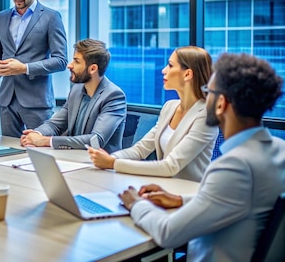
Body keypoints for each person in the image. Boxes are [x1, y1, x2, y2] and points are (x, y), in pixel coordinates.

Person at [119, 53, 285, 261]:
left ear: (220, 103)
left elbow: (167, 233)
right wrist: (180, 200)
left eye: (209, 91)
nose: (204, 97)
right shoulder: (279, 150)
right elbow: (236, 199)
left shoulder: (234, 166)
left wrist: (136, 203)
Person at [88, 46, 219, 182]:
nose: (163, 70)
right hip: (162, 189)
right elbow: (140, 150)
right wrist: (112, 158)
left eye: (170, 65)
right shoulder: (170, 107)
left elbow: (170, 166)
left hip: (187, 194)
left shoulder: (206, 115)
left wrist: (112, 164)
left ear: (187, 74)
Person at [0, 0, 67, 137]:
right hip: (7, 100)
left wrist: (25, 68)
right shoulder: (0, 18)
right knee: (7, 153)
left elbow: (61, 60)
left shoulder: (51, 17)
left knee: (40, 153)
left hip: (37, 101)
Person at [20, 39, 126, 152]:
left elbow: (96, 140)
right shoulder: (76, 90)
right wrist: (35, 135)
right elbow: (55, 124)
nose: (69, 65)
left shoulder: (114, 96)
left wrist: (45, 141)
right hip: (72, 159)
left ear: (93, 69)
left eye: (76, 61)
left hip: (99, 165)